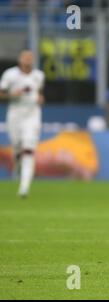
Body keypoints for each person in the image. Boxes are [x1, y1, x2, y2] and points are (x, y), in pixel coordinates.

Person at [0, 50, 45, 198]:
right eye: (25, 57)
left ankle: (24, 187)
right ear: (20, 59)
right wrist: (13, 94)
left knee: (29, 148)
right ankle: (18, 166)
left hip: (32, 114)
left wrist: (40, 99)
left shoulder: (38, 75)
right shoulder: (10, 75)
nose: (28, 60)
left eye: (30, 57)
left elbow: (39, 93)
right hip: (15, 113)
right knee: (17, 146)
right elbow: (1, 93)